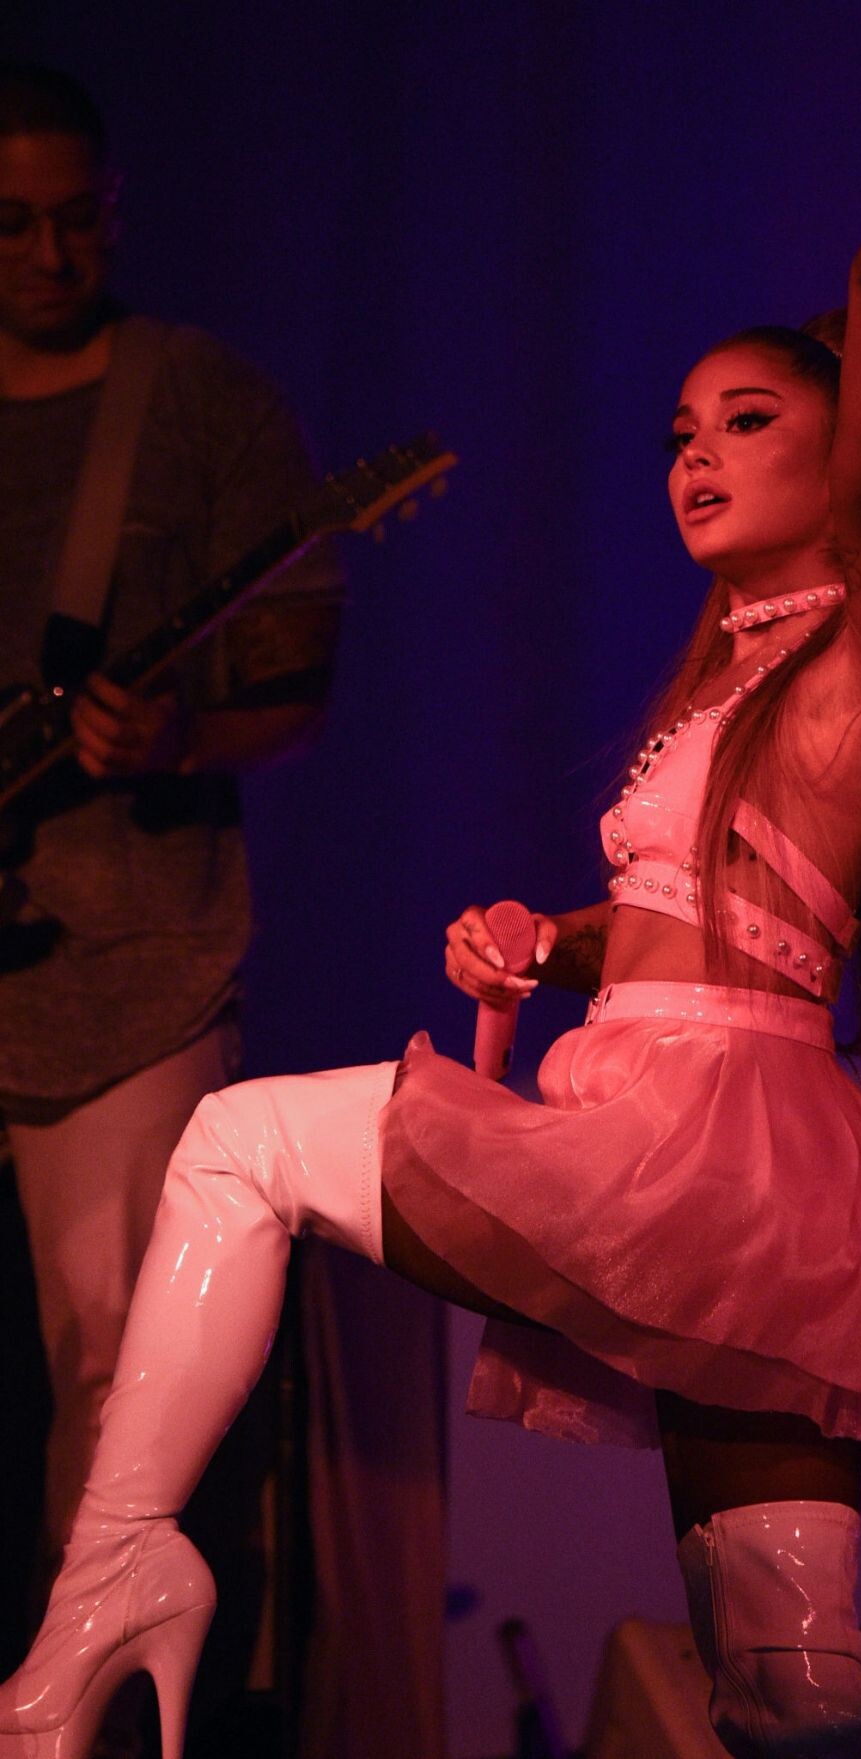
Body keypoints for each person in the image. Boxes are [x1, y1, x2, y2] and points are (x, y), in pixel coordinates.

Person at [0, 209, 861, 1759]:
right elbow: (715, 923)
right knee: (789, 1682)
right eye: (680, 434)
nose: (695, 457)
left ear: (845, 454)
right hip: (737, 1161)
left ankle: (117, 1576)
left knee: (238, 1142)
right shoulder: (739, 675)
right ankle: (121, 1585)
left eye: (748, 423)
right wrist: (552, 943)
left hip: (709, 1141)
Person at [0, 61, 341, 1623]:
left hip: (128, 973)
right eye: (13, 226)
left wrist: (179, 737)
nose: (52, 255)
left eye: (79, 219)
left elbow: (298, 685)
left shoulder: (198, 402)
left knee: (119, 1373)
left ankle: (82, 1699)